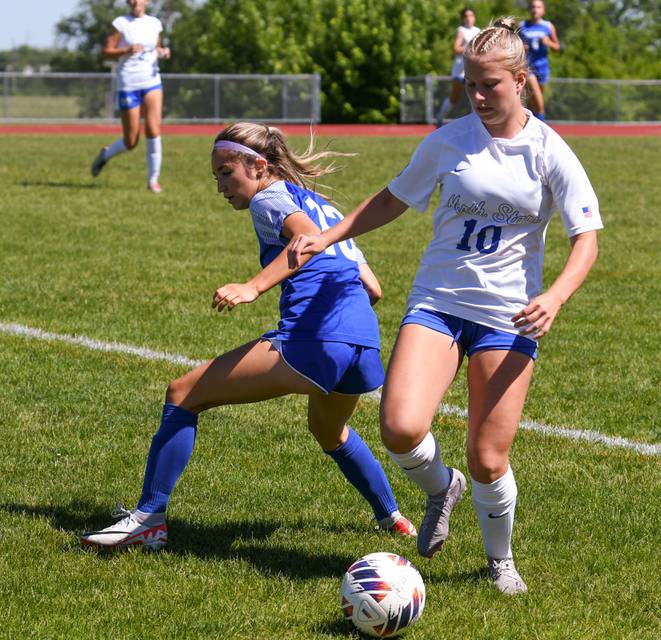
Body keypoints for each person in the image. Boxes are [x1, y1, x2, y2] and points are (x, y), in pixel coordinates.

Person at [288, 17, 602, 595]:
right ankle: (440, 488)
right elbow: (393, 198)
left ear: (520, 80)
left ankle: (499, 561)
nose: (478, 96)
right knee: (400, 427)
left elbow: (587, 238)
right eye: (469, 85)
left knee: (488, 459)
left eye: (490, 85)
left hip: (508, 317)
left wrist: (554, 296)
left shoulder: (550, 151)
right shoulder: (448, 140)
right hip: (437, 302)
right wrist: (329, 237)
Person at [81, 122, 416, 550]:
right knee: (329, 431)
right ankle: (392, 516)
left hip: (315, 340)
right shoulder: (324, 208)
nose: (220, 184)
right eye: (216, 175)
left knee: (183, 393)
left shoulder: (269, 198)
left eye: (225, 172)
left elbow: (306, 240)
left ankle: (148, 518)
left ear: (259, 166)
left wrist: (254, 286)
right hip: (364, 345)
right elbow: (374, 288)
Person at [90, 0, 170, 192]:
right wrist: (125, 50)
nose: (135, 2)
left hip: (151, 82)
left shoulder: (155, 23)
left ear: (146, 1)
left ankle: (153, 180)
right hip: (128, 83)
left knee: (153, 129)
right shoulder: (120, 23)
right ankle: (106, 154)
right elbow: (106, 51)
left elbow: (157, 48)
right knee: (131, 141)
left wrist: (163, 52)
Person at [435, 8, 480, 127]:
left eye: (471, 15)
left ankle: (475, 123)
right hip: (460, 70)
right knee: (454, 98)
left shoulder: (478, 31)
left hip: (473, 69)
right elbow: (455, 49)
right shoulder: (461, 30)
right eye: (466, 16)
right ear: (463, 18)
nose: (468, 18)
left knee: (475, 98)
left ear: (474, 17)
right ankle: (440, 118)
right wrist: (469, 48)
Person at [519, 0, 560, 122]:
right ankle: (543, 125)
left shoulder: (548, 26)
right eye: (532, 7)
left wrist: (549, 43)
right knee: (537, 98)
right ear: (529, 9)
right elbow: (516, 45)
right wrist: (522, 47)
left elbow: (557, 47)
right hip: (528, 67)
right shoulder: (522, 26)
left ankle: (532, 126)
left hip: (543, 67)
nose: (535, 9)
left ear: (543, 10)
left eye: (538, 7)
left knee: (533, 102)